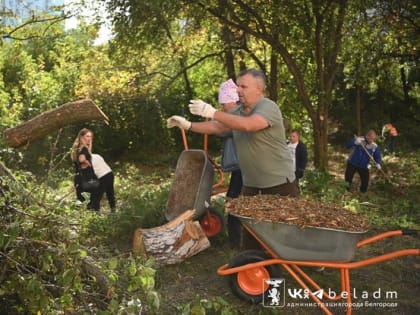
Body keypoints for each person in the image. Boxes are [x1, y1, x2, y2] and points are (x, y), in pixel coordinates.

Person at [167, 68, 298, 247]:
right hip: (251, 186)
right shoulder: (238, 111)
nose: (238, 90)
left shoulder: (268, 107)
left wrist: (213, 112)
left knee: (282, 238)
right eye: (238, 86)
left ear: (259, 89)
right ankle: (254, 271)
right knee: (252, 237)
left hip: (279, 185)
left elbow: (248, 125)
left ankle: (301, 264)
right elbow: (219, 127)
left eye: (244, 86)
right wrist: (188, 125)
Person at [218, 79, 243, 247]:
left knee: (235, 201)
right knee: (234, 200)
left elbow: (223, 131)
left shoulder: (238, 116)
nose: (222, 107)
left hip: (244, 168)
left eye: (223, 104)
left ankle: (236, 241)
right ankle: (236, 240)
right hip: (240, 168)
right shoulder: (234, 115)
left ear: (232, 101)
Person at [71, 128, 101, 211]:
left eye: (90, 137)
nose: (89, 139)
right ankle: (94, 222)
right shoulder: (84, 149)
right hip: (88, 179)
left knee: (81, 202)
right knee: (93, 204)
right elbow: (81, 159)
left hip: (78, 178)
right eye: (87, 136)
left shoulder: (76, 149)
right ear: (81, 137)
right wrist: (86, 162)